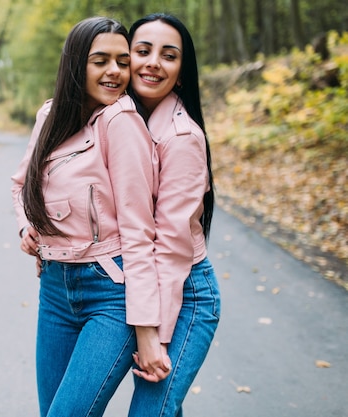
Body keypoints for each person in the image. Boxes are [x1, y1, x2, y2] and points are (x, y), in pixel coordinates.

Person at [11, 16, 168, 417]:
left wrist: (147, 330)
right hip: (55, 289)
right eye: (101, 60)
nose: (114, 71)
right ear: (76, 64)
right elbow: (20, 184)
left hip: (110, 293)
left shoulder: (121, 122)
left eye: (121, 60)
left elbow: (139, 231)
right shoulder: (50, 116)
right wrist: (27, 225)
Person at [125, 13, 222, 417]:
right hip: (148, 287)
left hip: (185, 295)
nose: (152, 63)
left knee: (153, 410)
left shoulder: (181, 137)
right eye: (142, 51)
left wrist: (154, 335)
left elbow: (170, 247)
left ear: (181, 73)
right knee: (163, 408)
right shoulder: (120, 120)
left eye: (169, 55)